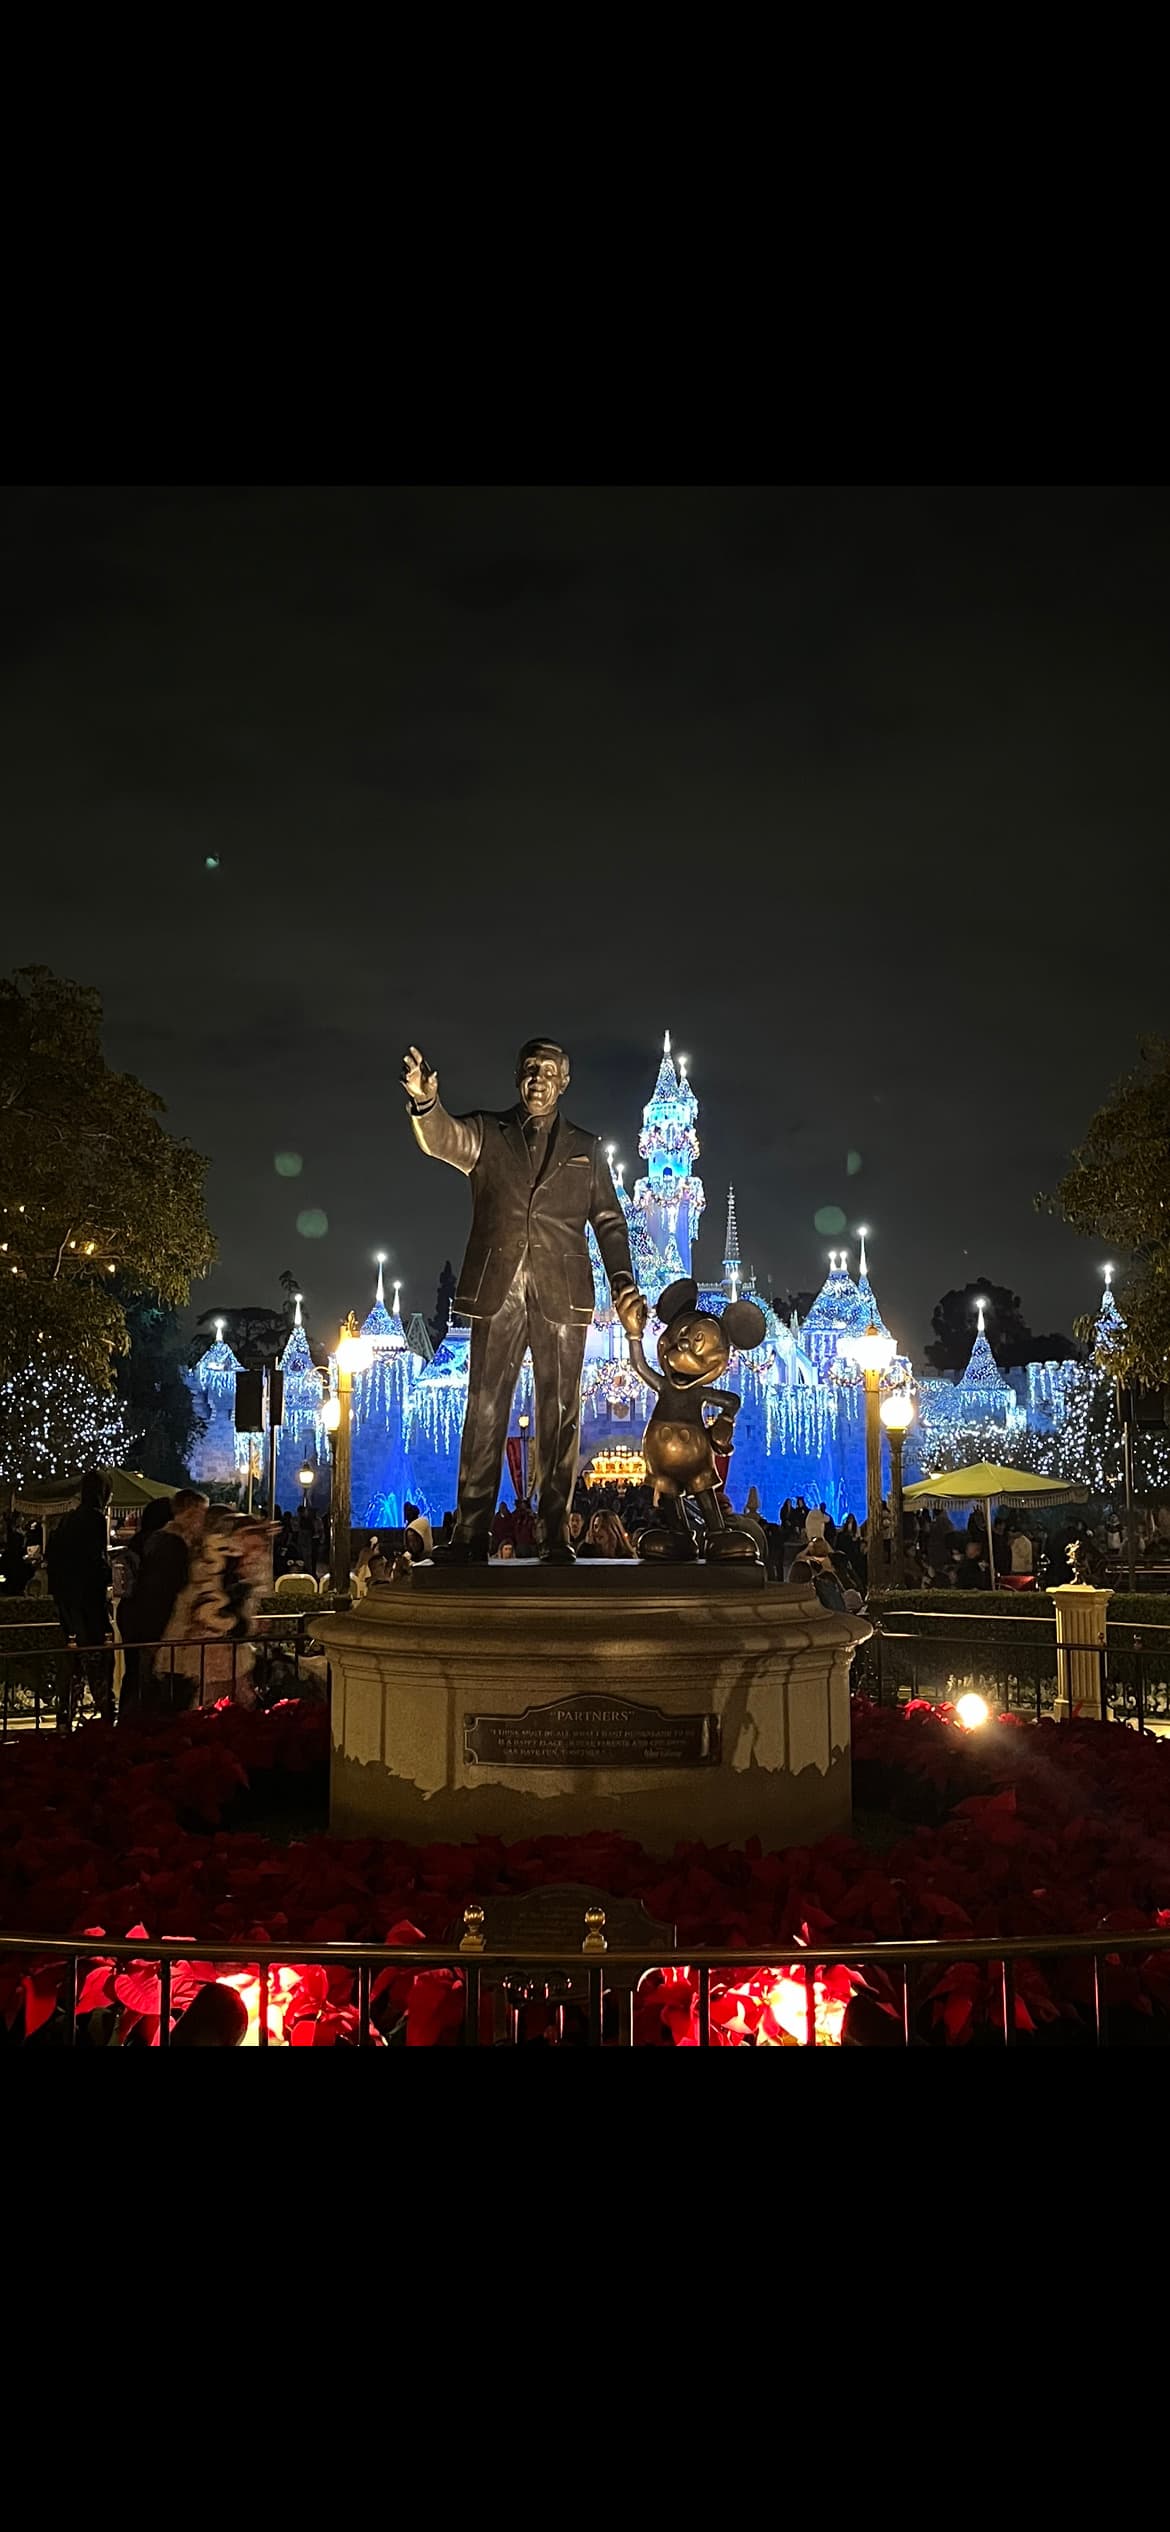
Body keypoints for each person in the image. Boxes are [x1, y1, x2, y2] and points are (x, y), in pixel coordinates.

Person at [402, 1036, 646, 1563]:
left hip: (563, 1291)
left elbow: (608, 1219)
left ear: (564, 1083)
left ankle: (557, 1532)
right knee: (486, 1407)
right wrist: (426, 1104)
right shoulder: (491, 1133)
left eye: (549, 1071)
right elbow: (445, 1138)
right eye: (530, 1068)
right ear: (518, 1075)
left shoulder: (586, 1147)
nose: (538, 1078)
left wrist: (623, 1280)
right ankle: (469, 1534)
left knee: (561, 1412)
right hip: (499, 1288)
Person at [157, 1510, 274, 1709]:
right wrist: (242, 1625)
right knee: (211, 1706)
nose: (257, 1554)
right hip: (210, 1655)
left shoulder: (232, 1576)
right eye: (252, 1546)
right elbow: (209, 1614)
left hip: (227, 1656)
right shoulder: (215, 1574)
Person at [118, 1489, 208, 1715]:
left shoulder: (156, 1540)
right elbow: (158, 1593)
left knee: (140, 1685)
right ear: (188, 1513)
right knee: (147, 1692)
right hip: (156, 1633)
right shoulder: (171, 1545)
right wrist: (156, 1637)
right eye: (201, 1513)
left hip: (144, 1629)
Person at [46, 1472, 114, 1721]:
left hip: (67, 1603)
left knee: (72, 1661)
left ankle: (65, 1714)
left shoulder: (67, 1521)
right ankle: (105, 1715)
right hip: (87, 1605)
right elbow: (94, 1564)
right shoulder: (94, 1520)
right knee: (97, 1660)